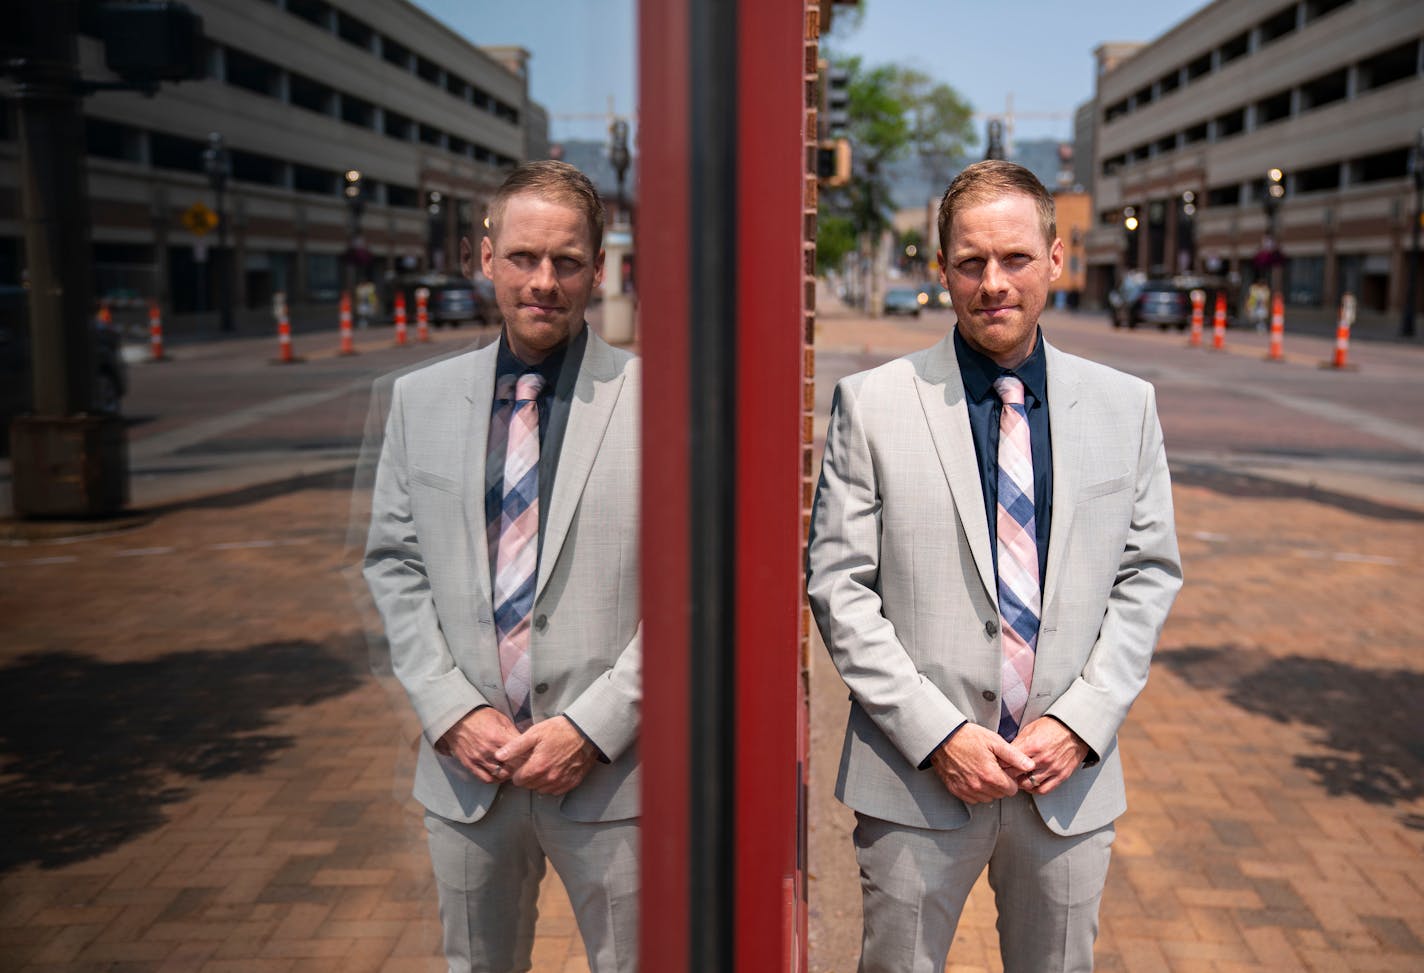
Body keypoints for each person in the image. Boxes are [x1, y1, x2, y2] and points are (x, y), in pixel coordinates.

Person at [806, 160, 1182, 973]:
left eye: (1014, 258)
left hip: (1066, 784)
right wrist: (939, 733)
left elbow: (1147, 575)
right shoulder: (872, 404)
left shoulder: (1127, 405)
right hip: (914, 784)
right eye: (971, 262)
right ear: (942, 269)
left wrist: (1081, 723)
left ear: (1055, 258)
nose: (992, 282)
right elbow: (840, 588)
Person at [364, 160, 641, 973]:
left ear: (597, 267)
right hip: (467, 774)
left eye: (566, 261)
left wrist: (593, 726)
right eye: (523, 257)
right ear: (484, 257)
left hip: (617, 778)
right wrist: (450, 710)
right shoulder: (419, 401)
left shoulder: (659, 402)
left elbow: (692, 591)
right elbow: (395, 563)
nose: (543, 281)